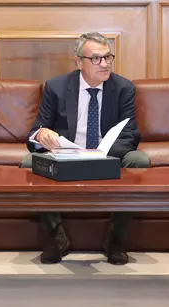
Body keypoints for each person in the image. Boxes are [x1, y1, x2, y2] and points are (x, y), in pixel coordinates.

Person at [21, 32, 150, 265]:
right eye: (96, 59)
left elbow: (130, 135)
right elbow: (34, 134)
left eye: (108, 57)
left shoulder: (123, 88)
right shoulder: (56, 87)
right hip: (65, 156)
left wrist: (98, 155)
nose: (105, 64)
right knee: (29, 162)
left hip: (106, 155)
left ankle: (115, 239)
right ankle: (56, 236)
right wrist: (42, 135)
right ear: (79, 62)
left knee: (139, 160)